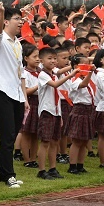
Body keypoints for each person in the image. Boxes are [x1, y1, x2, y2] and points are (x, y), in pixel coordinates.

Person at [0, 1, 26, 188]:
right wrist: (1, 12)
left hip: (17, 93)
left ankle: (1, 173)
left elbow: (21, 72)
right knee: (8, 135)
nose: (21, 22)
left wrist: (24, 97)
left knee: (11, 134)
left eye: (21, 19)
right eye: (17, 19)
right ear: (6, 21)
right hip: (1, 91)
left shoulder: (17, 43)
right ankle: (9, 174)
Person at [36, 48, 77, 180]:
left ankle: (52, 168)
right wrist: (70, 74)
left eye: (54, 58)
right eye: (49, 58)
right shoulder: (42, 75)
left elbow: (58, 72)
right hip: (47, 111)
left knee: (55, 142)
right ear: (41, 61)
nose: (53, 61)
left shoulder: (53, 73)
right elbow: (54, 85)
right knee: (45, 142)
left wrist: (74, 66)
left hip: (56, 111)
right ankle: (42, 170)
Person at [65, 54, 94, 174]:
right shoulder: (74, 79)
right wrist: (90, 73)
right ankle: (72, 166)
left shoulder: (86, 78)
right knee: (77, 141)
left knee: (85, 140)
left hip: (88, 110)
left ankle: (80, 165)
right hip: (79, 110)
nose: (88, 66)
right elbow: (83, 85)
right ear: (77, 66)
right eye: (85, 64)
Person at [21, 45, 40, 168]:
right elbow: (26, 91)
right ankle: (27, 159)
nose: (37, 59)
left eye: (38, 56)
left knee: (35, 133)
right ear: (26, 58)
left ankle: (33, 158)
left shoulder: (40, 72)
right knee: (26, 132)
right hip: (29, 102)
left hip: (40, 102)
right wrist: (39, 85)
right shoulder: (25, 73)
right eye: (34, 57)